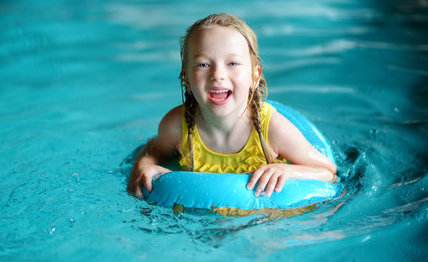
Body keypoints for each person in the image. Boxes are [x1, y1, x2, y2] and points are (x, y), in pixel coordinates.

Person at [128, 13, 337, 199]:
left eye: (232, 63)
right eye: (203, 64)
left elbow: (329, 172)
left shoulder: (271, 128)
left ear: (254, 77)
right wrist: (143, 167)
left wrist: (289, 172)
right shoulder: (177, 125)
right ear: (187, 80)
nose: (217, 74)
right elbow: (154, 152)